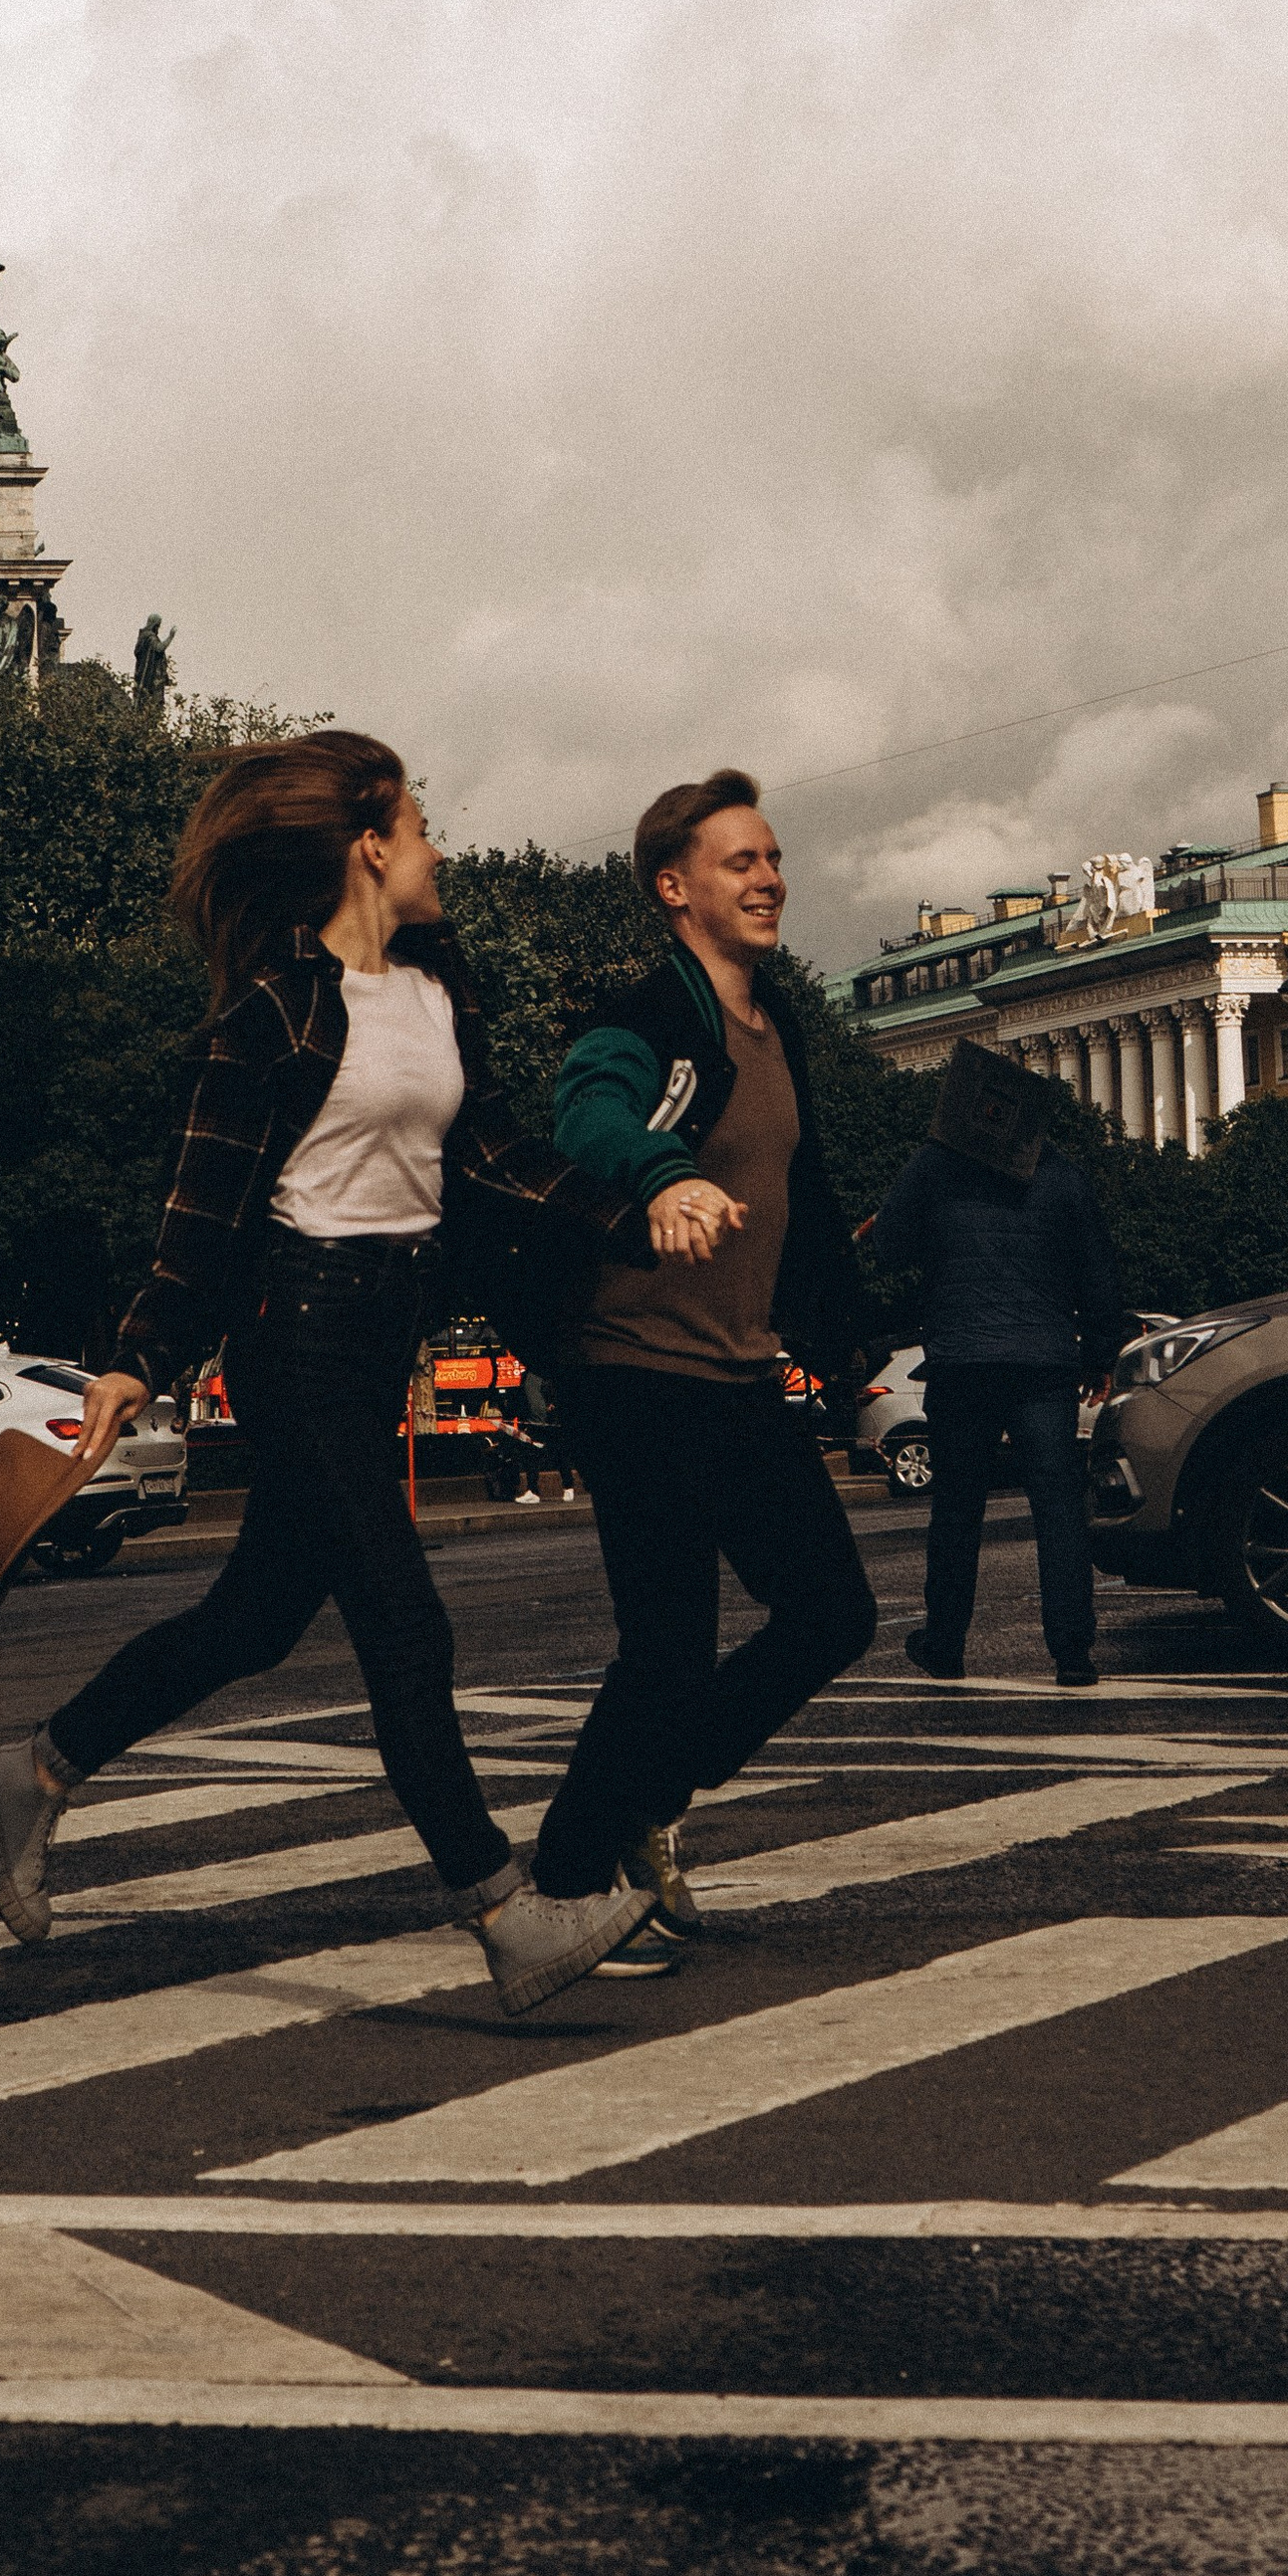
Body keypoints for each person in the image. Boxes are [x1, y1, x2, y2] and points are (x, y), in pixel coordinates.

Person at [0, 730, 742, 2016]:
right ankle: (505, 1913)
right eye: (419, 825)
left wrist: (640, 1207)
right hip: (294, 1331)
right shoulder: (275, 1009)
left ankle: (32, 1770)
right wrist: (140, 1358)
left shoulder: (436, 988)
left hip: (381, 1338)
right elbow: (202, 1206)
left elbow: (492, 1156)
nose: (438, 849)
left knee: (254, 1619)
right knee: (404, 1623)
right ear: (369, 846)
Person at [523, 768, 878, 1945]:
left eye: (772, 859)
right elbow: (589, 1118)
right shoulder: (647, 1018)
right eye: (741, 862)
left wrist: (842, 1329)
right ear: (674, 888)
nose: (769, 879)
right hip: (633, 1368)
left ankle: (644, 1798)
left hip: (737, 1373)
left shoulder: (776, 1028)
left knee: (830, 1615)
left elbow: (803, 1196)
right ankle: (567, 1880)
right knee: (666, 1649)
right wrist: (663, 1174)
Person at [869, 1045, 1128, 1691]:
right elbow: (1098, 1273)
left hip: (961, 1362)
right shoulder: (1062, 1174)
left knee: (957, 1511)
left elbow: (890, 1246)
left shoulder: (935, 1166)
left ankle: (944, 1644)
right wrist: (1100, 1354)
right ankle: (1072, 1652)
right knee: (1058, 1510)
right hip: (1043, 1363)